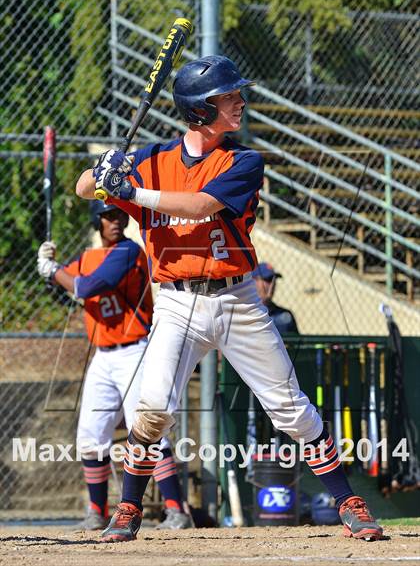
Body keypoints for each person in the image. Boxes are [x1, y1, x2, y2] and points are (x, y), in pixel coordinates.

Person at [75, 55, 383, 543]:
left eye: (237, 95)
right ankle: (129, 508)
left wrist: (132, 188)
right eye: (227, 97)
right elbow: (84, 188)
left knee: (290, 409)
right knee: (152, 408)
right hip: (175, 303)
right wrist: (106, 169)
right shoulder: (152, 157)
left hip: (237, 300)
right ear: (199, 110)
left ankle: (348, 501)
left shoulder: (243, 161)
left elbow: (199, 207)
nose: (239, 102)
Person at [37, 200, 191, 530]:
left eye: (120, 216)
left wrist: (56, 272)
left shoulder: (128, 251)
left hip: (135, 352)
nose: (116, 222)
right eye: (108, 217)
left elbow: (89, 286)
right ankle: (96, 511)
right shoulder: (87, 258)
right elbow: (65, 290)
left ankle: (176, 509)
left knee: (148, 428)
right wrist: (47, 267)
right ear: (97, 222)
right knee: (91, 435)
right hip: (103, 356)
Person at [252, 262, 299, 334]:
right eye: (268, 279)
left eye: (274, 280)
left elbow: (296, 344)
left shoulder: (285, 315)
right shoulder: (244, 313)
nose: (273, 284)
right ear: (254, 281)